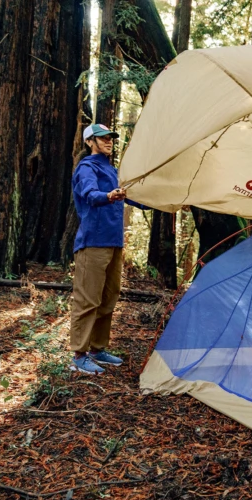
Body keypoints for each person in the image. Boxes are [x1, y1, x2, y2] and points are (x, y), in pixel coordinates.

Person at [69, 123, 148, 375]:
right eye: (102, 138)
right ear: (89, 142)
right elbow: (90, 194)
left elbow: (132, 196)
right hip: (93, 242)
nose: (108, 141)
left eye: (110, 138)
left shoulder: (112, 170)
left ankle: (97, 349)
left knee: (109, 297)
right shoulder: (87, 167)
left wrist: (163, 202)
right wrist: (108, 196)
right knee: (88, 299)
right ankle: (79, 355)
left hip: (114, 242)